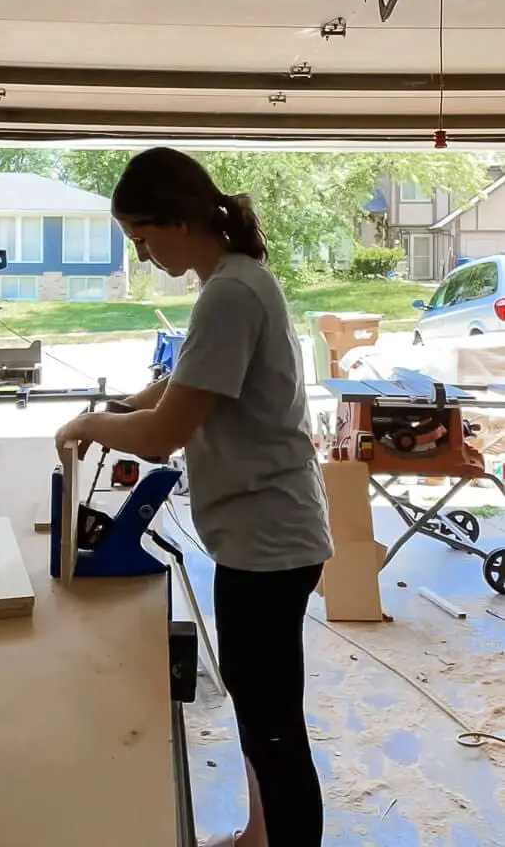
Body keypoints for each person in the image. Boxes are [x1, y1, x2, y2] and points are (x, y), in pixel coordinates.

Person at [54, 147, 334, 847]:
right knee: (256, 705)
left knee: (272, 725)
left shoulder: (230, 294)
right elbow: (179, 389)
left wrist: (92, 423)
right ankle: (258, 835)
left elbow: (163, 434)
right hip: (258, 533)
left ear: (178, 220)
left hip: (267, 542)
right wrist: (119, 405)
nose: (143, 256)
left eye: (143, 239)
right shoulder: (230, 283)